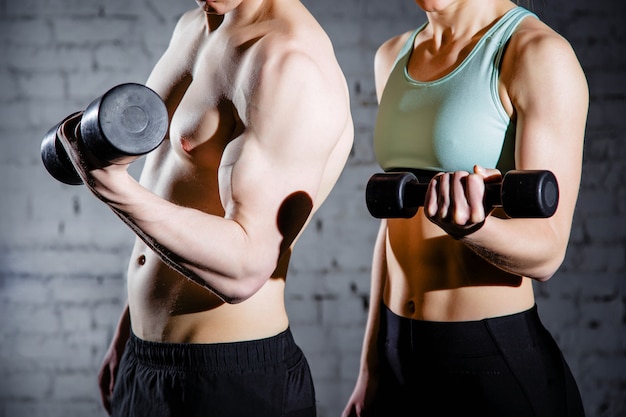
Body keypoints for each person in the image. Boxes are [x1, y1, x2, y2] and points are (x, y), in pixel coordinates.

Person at [55, 0, 353, 416]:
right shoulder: (194, 26)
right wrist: (132, 328)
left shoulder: (288, 63)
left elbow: (245, 267)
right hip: (144, 361)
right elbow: (177, 191)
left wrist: (114, 190)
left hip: (228, 377)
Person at [342, 0, 588, 416]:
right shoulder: (392, 55)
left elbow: (548, 251)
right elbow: (395, 226)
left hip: (487, 359)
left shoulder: (535, 54)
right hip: (397, 350)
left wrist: (472, 228)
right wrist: (371, 366)